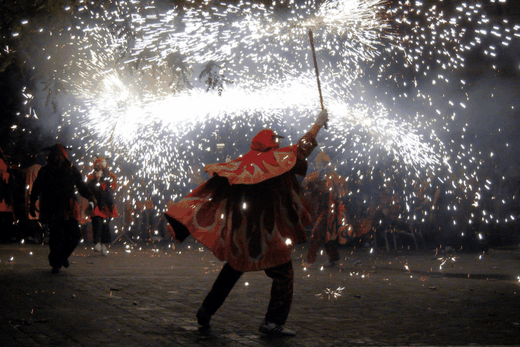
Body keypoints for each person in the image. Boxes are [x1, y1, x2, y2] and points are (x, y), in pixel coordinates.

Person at [165, 109, 329, 336]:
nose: (277, 142)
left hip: (242, 236)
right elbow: (301, 148)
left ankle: (206, 310)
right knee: (284, 274)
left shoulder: (243, 163)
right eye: (274, 139)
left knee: (232, 270)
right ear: (270, 144)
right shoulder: (275, 161)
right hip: (268, 236)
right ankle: (272, 323)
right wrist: (317, 124)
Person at [30, 144, 96, 273]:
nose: (57, 158)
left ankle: (62, 257)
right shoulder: (45, 171)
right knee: (56, 236)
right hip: (52, 207)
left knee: (75, 235)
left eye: (60, 155)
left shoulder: (71, 170)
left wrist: (91, 197)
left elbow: (81, 186)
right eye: (55, 155)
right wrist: (32, 202)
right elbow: (37, 187)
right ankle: (56, 263)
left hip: (69, 208)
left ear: (64, 156)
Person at [302, 151, 348, 267]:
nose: (318, 165)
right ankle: (334, 259)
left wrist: (321, 181)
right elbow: (305, 185)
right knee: (327, 235)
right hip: (319, 210)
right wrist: (314, 180)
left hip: (330, 211)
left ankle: (310, 260)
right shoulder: (316, 176)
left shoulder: (333, 177)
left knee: (316, 234)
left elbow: (337, 192)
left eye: (320, 163)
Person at [86, 157, 118, 255]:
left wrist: (105, 178)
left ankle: (104, 244)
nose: (100, 165)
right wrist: (96, 179)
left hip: (107, 205)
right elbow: (88, 188)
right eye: (98, 164)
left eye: (102, 164)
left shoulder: (110, 175)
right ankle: (96, 242)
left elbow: (113, 186)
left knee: (105, 225)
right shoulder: (91, 176)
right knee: (97, 222)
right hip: (96, 204)